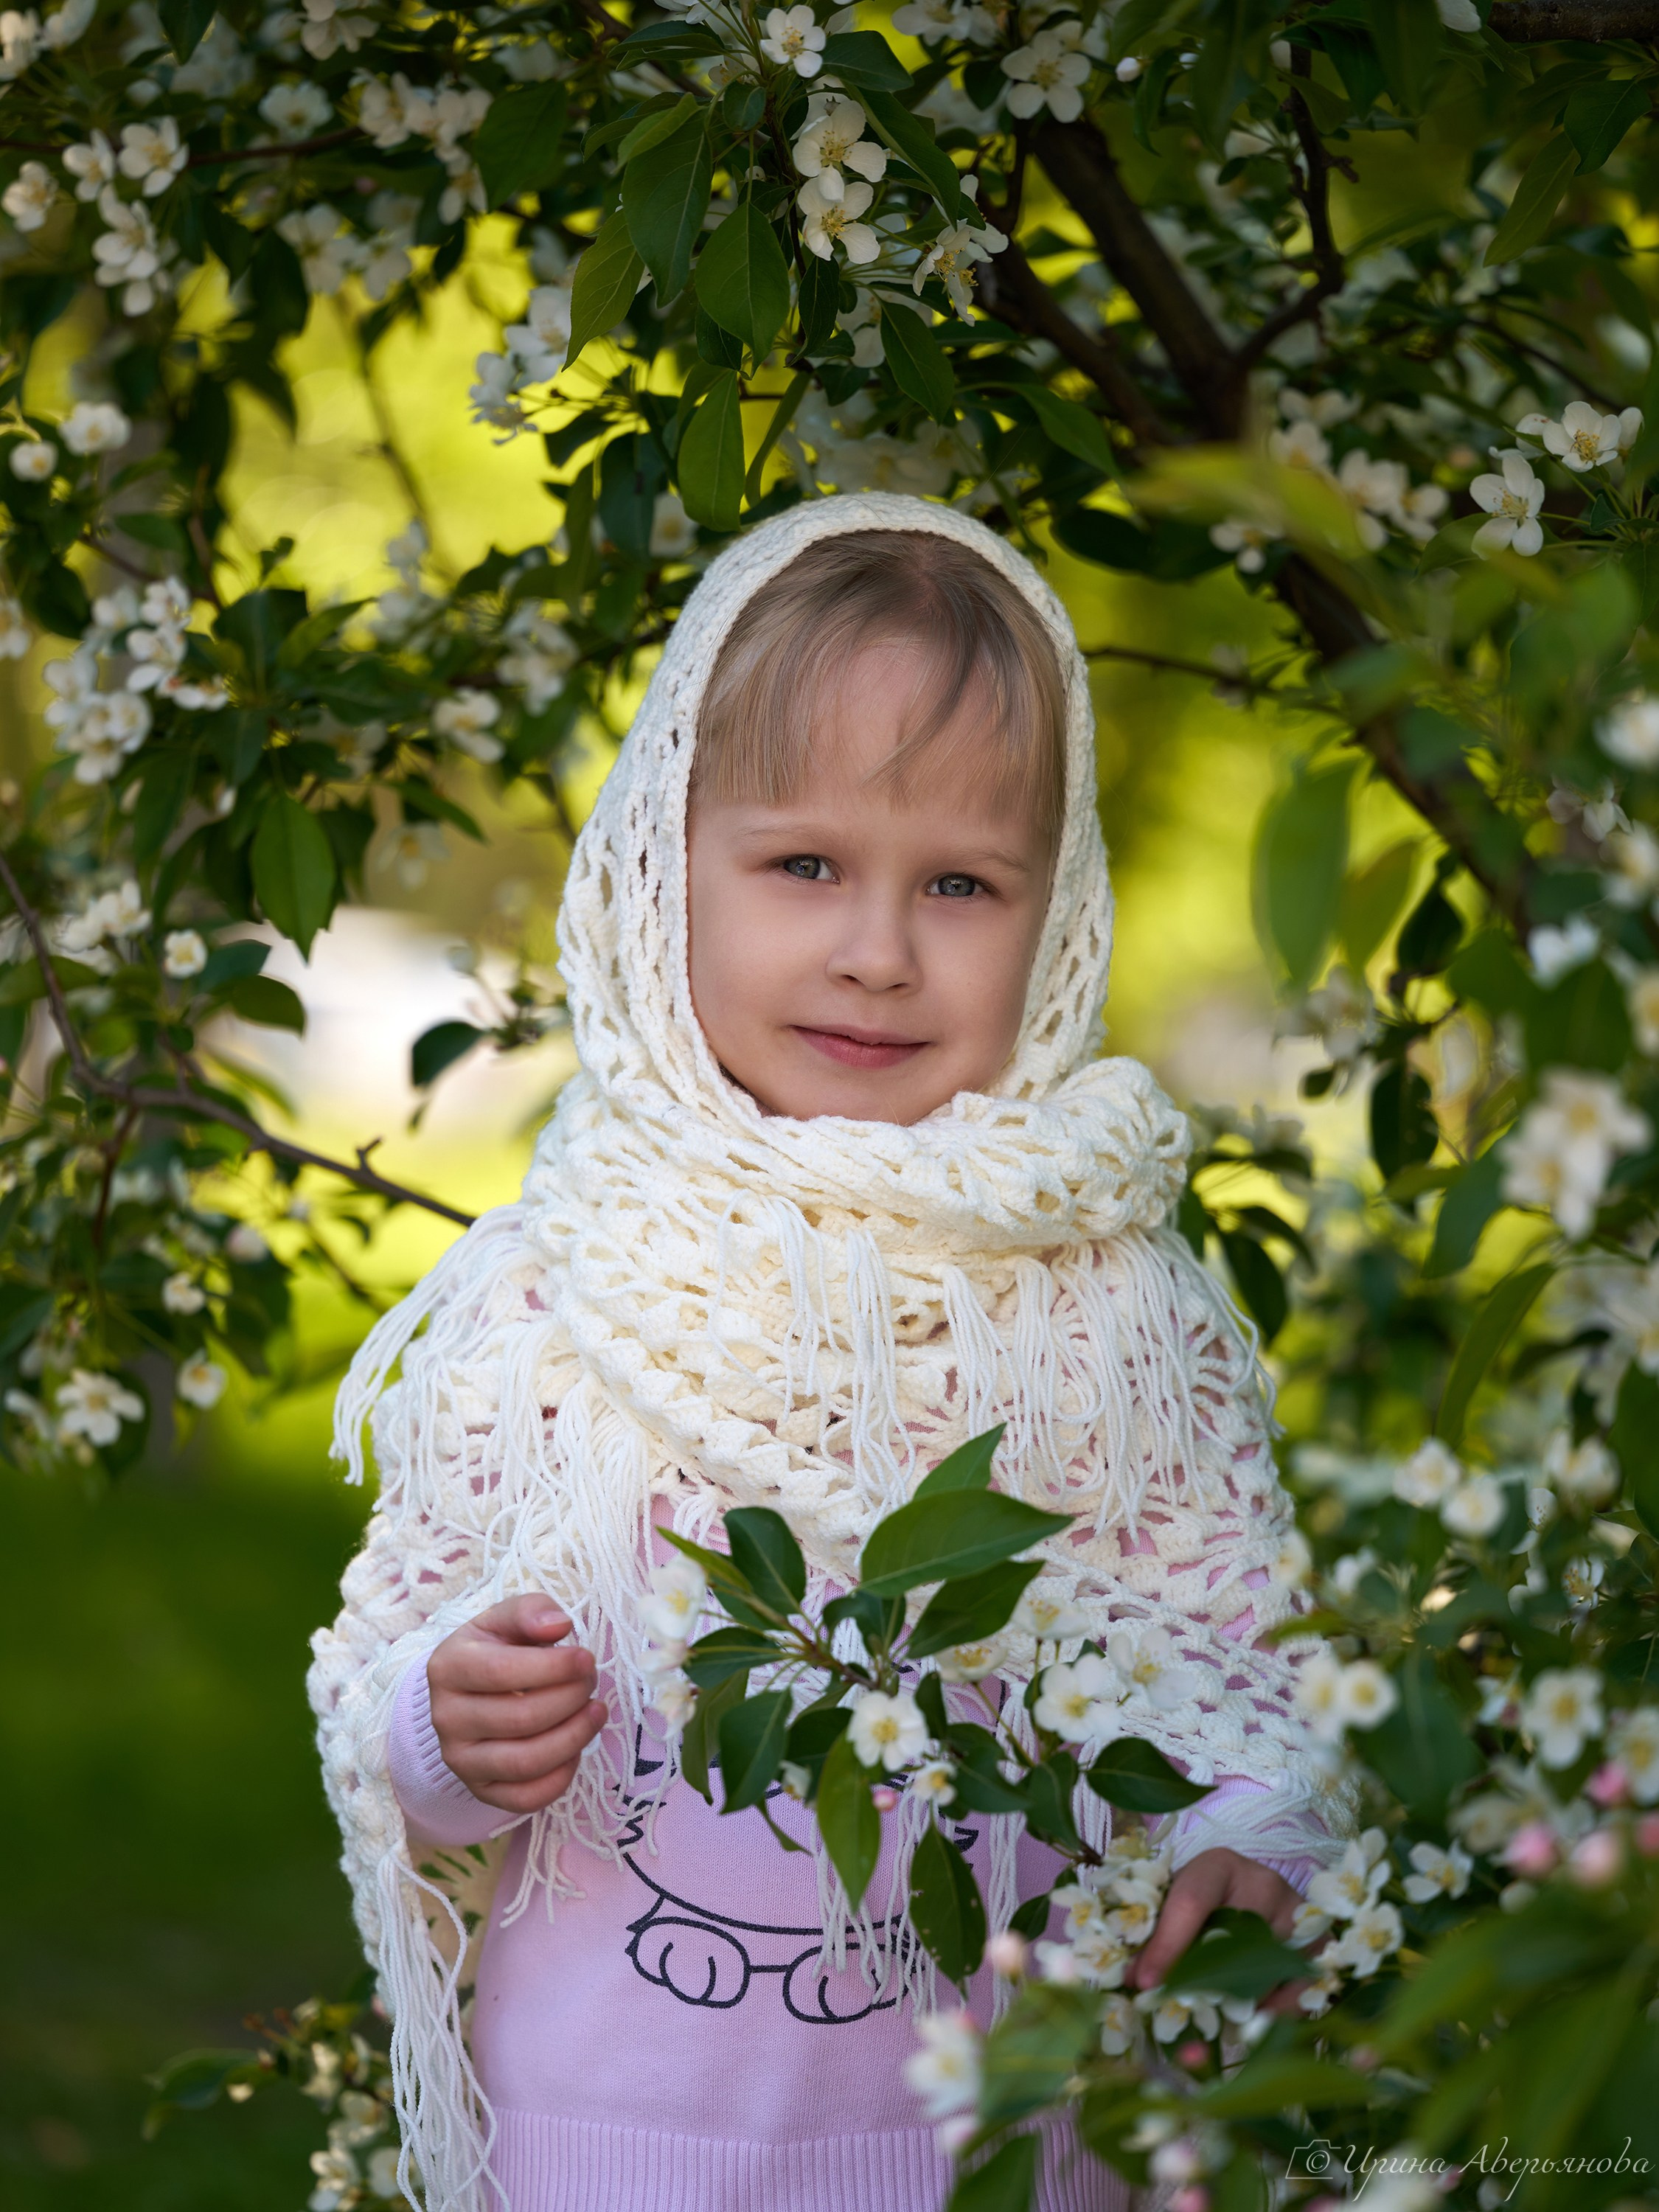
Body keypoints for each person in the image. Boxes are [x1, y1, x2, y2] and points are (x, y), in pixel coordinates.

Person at [310, 494, 1357, 2212]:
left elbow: (1242, 1662)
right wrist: (443, 1727)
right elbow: (386, 1695)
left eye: (959, 883)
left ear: (1057, 907)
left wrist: (1252, 1839)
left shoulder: (1107, 1304)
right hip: (610, 2152)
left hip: (1014, 2145)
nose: (878, 950)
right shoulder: (547, 1293)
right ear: (669, 867)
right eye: (806, 866)